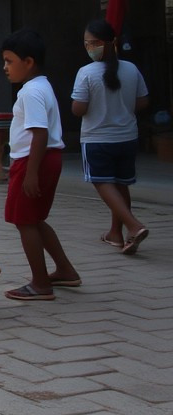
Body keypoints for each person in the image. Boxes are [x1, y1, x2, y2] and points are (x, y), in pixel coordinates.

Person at [0, 29, 80, 301]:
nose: (5, 68)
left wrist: (30, 172)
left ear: (29, 62)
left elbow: (40, 133)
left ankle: (40, 283)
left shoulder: (31, 92)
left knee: (24, 221)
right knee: (35, 219)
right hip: (40, 160)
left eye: (10, 61)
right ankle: (65, 270)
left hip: (36, 161)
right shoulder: (41, 86)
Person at [72, 19, 150, 254]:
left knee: (103, 183)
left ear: (110, 43)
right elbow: (143, 101)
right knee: (121, 184)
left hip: (97, 139)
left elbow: (78, 109)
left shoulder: (86, 73)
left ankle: (133, 226)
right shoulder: (131, 69)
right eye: (87, 43)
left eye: (94, 43)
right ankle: (115, 233)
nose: (90, 47)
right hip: (127, 137)